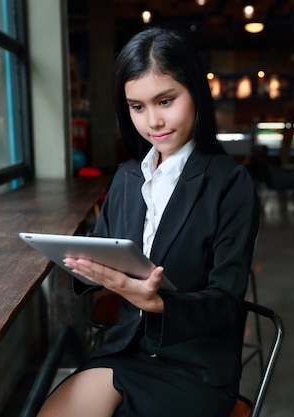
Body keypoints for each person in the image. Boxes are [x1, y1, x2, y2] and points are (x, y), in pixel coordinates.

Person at [36, 27, 260, 417]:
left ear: (196, 93)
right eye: (137, 107)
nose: (153, 121)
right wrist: (85, 268)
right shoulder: (127, 177)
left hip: (196, 367)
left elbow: (227, 304)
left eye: (166, 100)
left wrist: (158, 303)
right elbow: (104, 250)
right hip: (125, 350)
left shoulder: (229, 182)